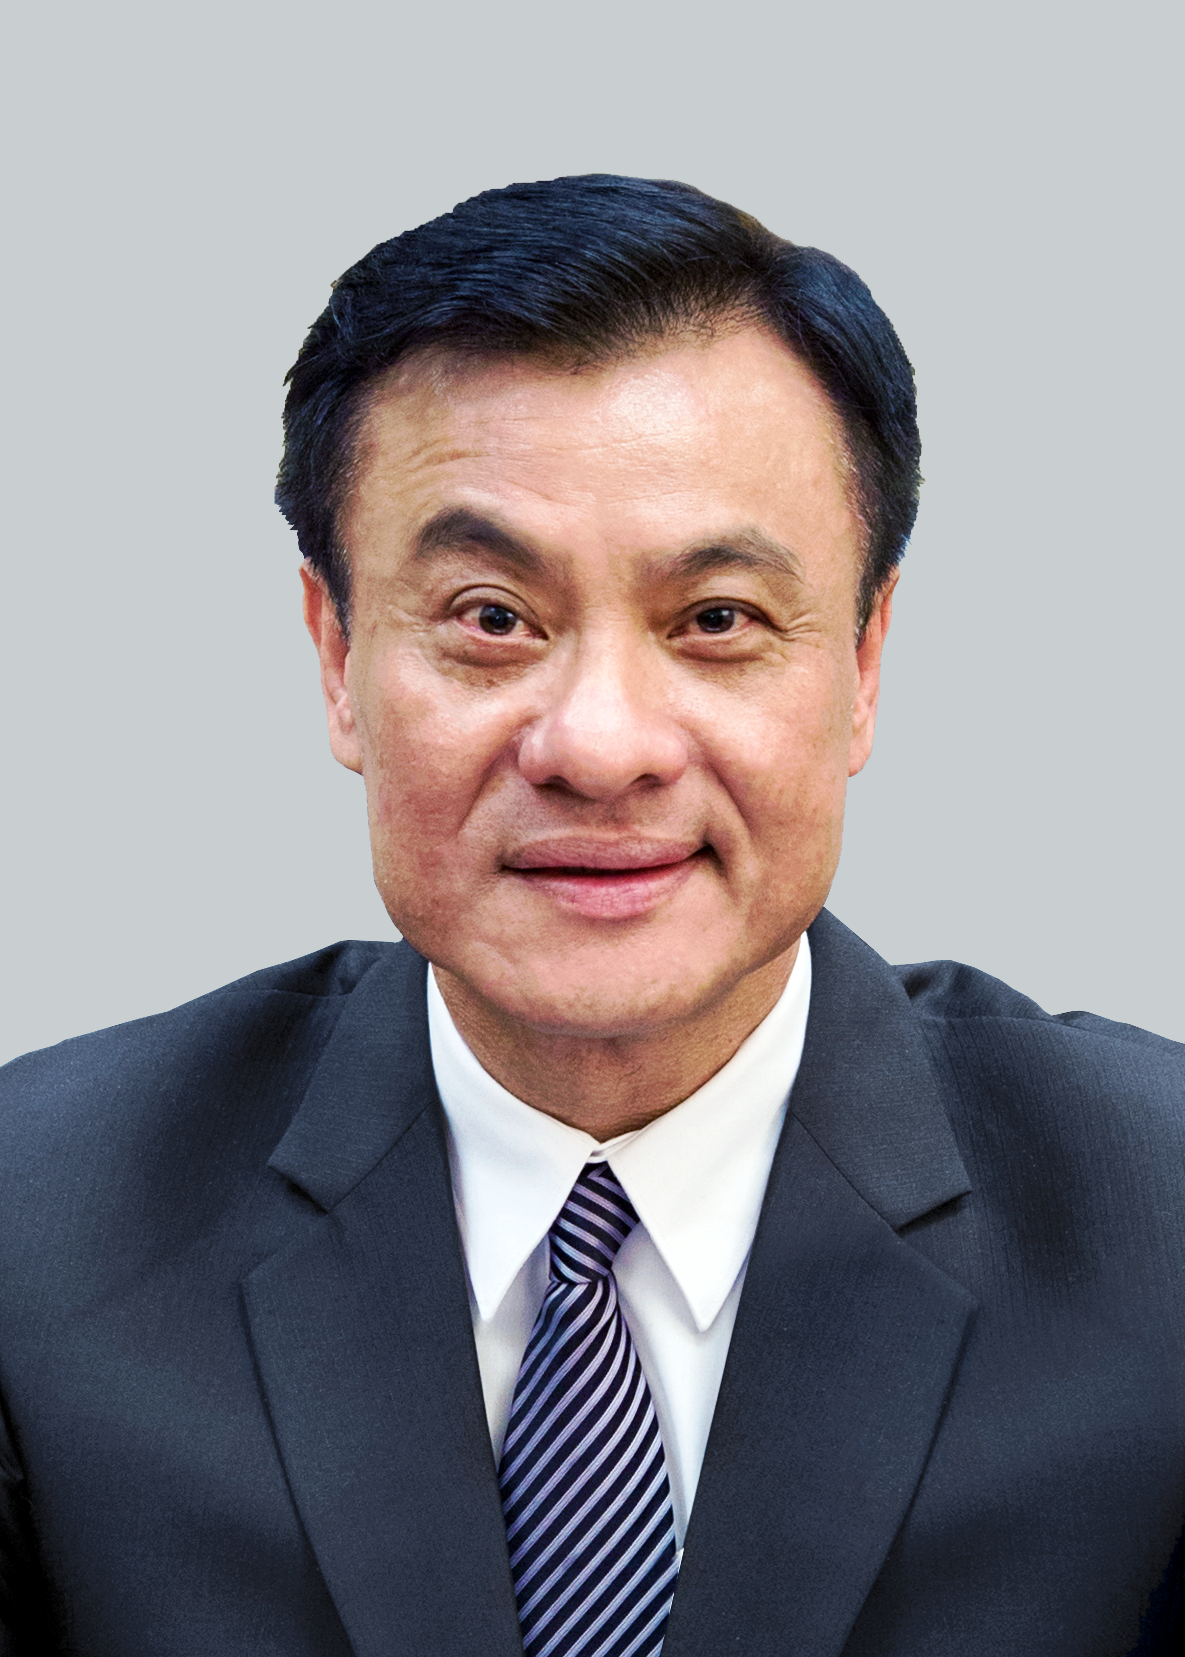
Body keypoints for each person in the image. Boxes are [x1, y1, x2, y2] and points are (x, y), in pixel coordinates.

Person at [0, 175, 1182, 1657]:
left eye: (716, 620)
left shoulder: (1160, 1228)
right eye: (493, 619)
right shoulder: (33, 1226)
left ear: (864, 662)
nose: (601, 746)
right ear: (337, 655)